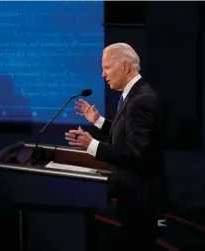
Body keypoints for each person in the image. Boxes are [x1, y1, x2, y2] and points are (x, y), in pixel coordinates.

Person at [65, 43, 166, 251]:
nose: (103, 74)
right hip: (135, 194)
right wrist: (99, 121)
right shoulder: (136, 94)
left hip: (140, 198)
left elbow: (136, 154)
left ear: (126, 66)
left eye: (107, 67)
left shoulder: (141, 100)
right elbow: (128, 136)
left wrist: (91, 144)